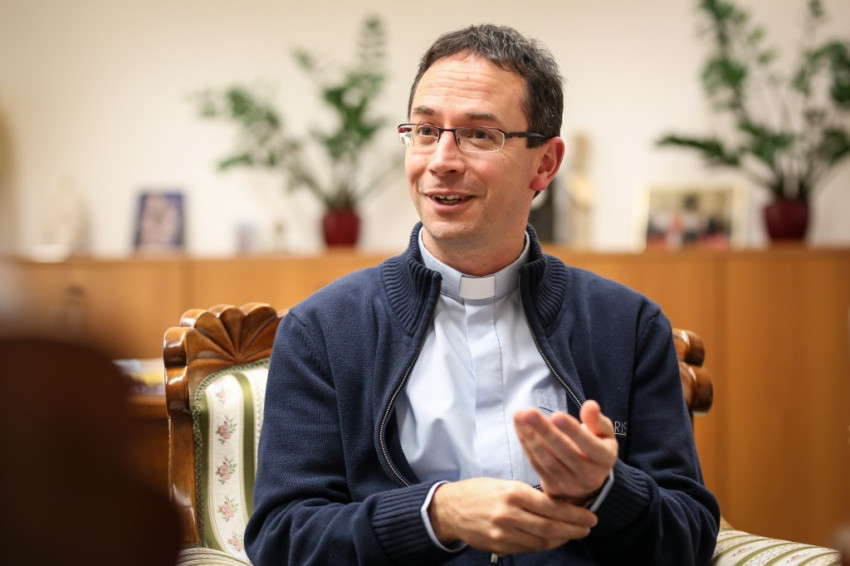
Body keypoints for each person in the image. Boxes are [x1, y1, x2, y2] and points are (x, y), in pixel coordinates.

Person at [245, 24, 720, 565]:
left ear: (545, 163)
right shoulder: (326, 329)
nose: (442, 160)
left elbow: (690, 536)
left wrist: (606, 491)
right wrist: (436, 514)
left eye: (478, 135)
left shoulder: (626, 325)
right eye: (425, 130)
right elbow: (283, 538)